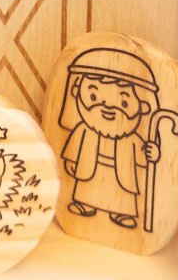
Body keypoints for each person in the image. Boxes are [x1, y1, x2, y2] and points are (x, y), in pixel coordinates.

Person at [57, 47, 162, 229]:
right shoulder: (83, 129)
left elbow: (144, 158)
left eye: (123, 102)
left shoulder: (133, 139)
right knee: (86, 189)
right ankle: (85, 204)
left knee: (122, 197)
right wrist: (70, 161)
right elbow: (72, 147)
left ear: (143, 107)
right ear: (76, 92)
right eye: (94, 96)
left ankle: (122, 213)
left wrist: (152, 154)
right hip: (89, 169)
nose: (107, 105)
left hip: (122, 176)